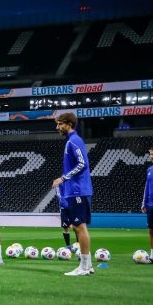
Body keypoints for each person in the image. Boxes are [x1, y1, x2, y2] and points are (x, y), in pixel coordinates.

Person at [51, 112, 94, 276]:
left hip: (78, 190)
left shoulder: (74, 140)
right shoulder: (71, 141)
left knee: (79, 227)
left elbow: (83, 164)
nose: (57, 127)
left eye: (60, 124)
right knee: (79, 226)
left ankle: (84, 267)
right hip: (76, 190)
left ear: (69, 124)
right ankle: (88, 266)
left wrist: (63, 178)